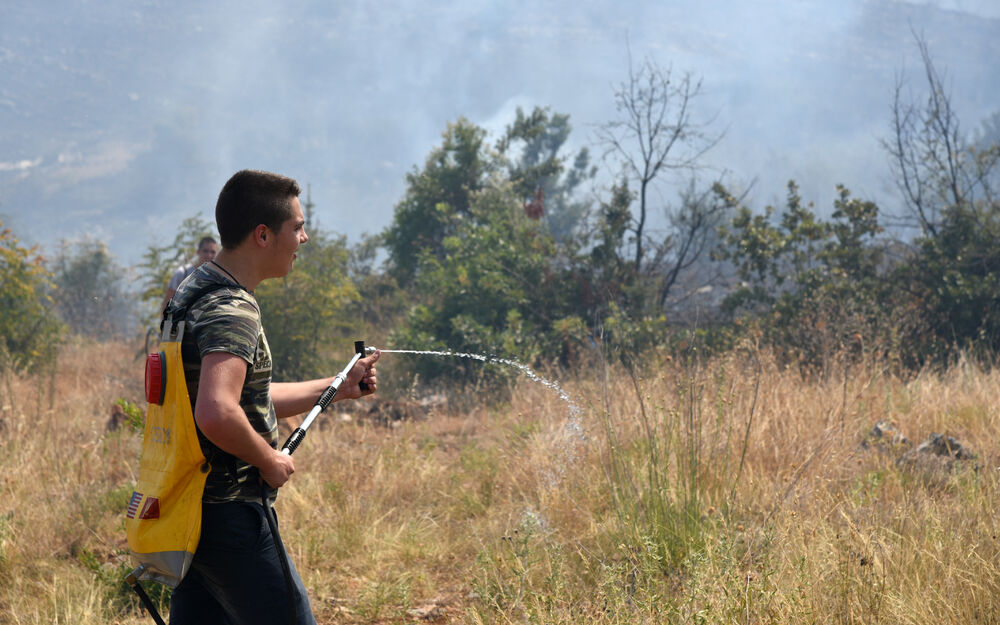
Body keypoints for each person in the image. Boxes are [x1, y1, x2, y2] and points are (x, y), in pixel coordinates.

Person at [167, 169, 379, 624]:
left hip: (189, 511)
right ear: (263, 235)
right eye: (297, 227)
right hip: (229, 514)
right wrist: (268, 459)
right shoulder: (232, 309)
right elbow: (217, 411)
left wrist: (335, 388)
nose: (304, 238)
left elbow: (243, 399)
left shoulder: (194, 291)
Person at [159, 236, 219, 314]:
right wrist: (166, 325)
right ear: (198, 252)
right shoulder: (183, 274)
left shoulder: (218, 278)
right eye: (205, 251)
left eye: (213, 252)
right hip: (182, 325)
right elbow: (167, 305)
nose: (209, 255)